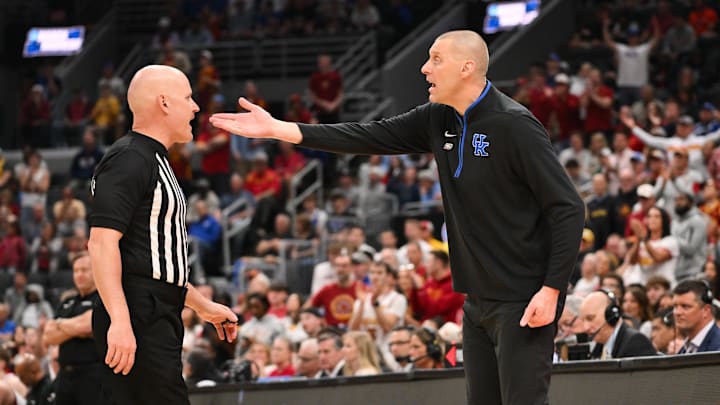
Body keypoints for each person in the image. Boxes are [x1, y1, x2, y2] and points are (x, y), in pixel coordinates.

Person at [212, 30, 584, 404]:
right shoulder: (439, 118)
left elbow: (568, 208)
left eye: (436, 59)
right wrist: (280, 130)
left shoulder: (515, 124)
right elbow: (367, 135)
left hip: (523, 299)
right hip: (476, 301)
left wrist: (552, 290)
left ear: (467, 67)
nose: (424, 69)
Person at [88, 65, 238, 405]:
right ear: (164, 103)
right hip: (138, 313)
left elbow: (152, 260)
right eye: (188, 97)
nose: (196, 107)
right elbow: (101, 243)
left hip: (154, 310)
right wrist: (121, 321)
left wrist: (203, 307)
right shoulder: (130, 157)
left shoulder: (155, 159)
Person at [42, 253, 102, 405]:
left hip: (92, 374)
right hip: (65, 375)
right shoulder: (67, 301)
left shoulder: (101, 299)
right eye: (76, 271)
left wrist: (60, 324)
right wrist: (76, 327)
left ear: (96, 271)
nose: (79, 275)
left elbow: (88, 326)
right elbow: (48, 336)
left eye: (84, 270)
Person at [579, 291, 657, 359]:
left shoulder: (636, 342)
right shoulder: (598, 345)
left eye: (590, 318)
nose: (586, 328)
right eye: (583, 320)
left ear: (611, 314)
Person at [673, 280, 720, 353]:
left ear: (706, 310)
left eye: (685, 306)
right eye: (675, 306)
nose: (677, 312)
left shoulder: (717, 346)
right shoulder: (685, 348)